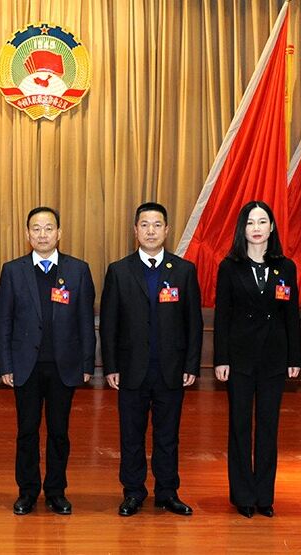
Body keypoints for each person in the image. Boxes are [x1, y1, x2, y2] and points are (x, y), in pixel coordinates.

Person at [99, 202, 203, 517]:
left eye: (157, 225)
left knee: (167, 436)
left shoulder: (183, 270)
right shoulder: (119, 270)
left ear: (167, 230)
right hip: (131, 370)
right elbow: (109, 323)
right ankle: (133, 492)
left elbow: (193, 323)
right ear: (135, 230)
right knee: (131, 436)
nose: (151, 231)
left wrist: (191, 364)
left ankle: (167, 492)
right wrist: (111, 366)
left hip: (171, 370)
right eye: (144, 225)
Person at [0, 207, 96, 516]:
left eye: (49, 228)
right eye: (36, 229)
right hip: (25, 366)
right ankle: (27, 492)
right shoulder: (12, 270)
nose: (42, 235)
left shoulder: (78, 270)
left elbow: (85, 321)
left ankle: (56, 491)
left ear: (59, 233)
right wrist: (6, 365)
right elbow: (4, 321)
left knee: (59, 432)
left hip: (63, 366)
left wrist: (87, 364)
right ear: (27, 234)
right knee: (27, 431)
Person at [213, 201, 301, 519]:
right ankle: (243, 495)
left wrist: (294, 356)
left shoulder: (285, 267)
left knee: (268, 426)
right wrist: (221, 358)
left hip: (274, 358)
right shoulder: (229, 266)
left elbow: (291, 315)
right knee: (239, 425)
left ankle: (264, 496)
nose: (257, 228)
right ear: (242, 228)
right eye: (250, 222)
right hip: (239, 358)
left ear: (272, 227)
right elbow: (222, 316)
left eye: (263, 221)